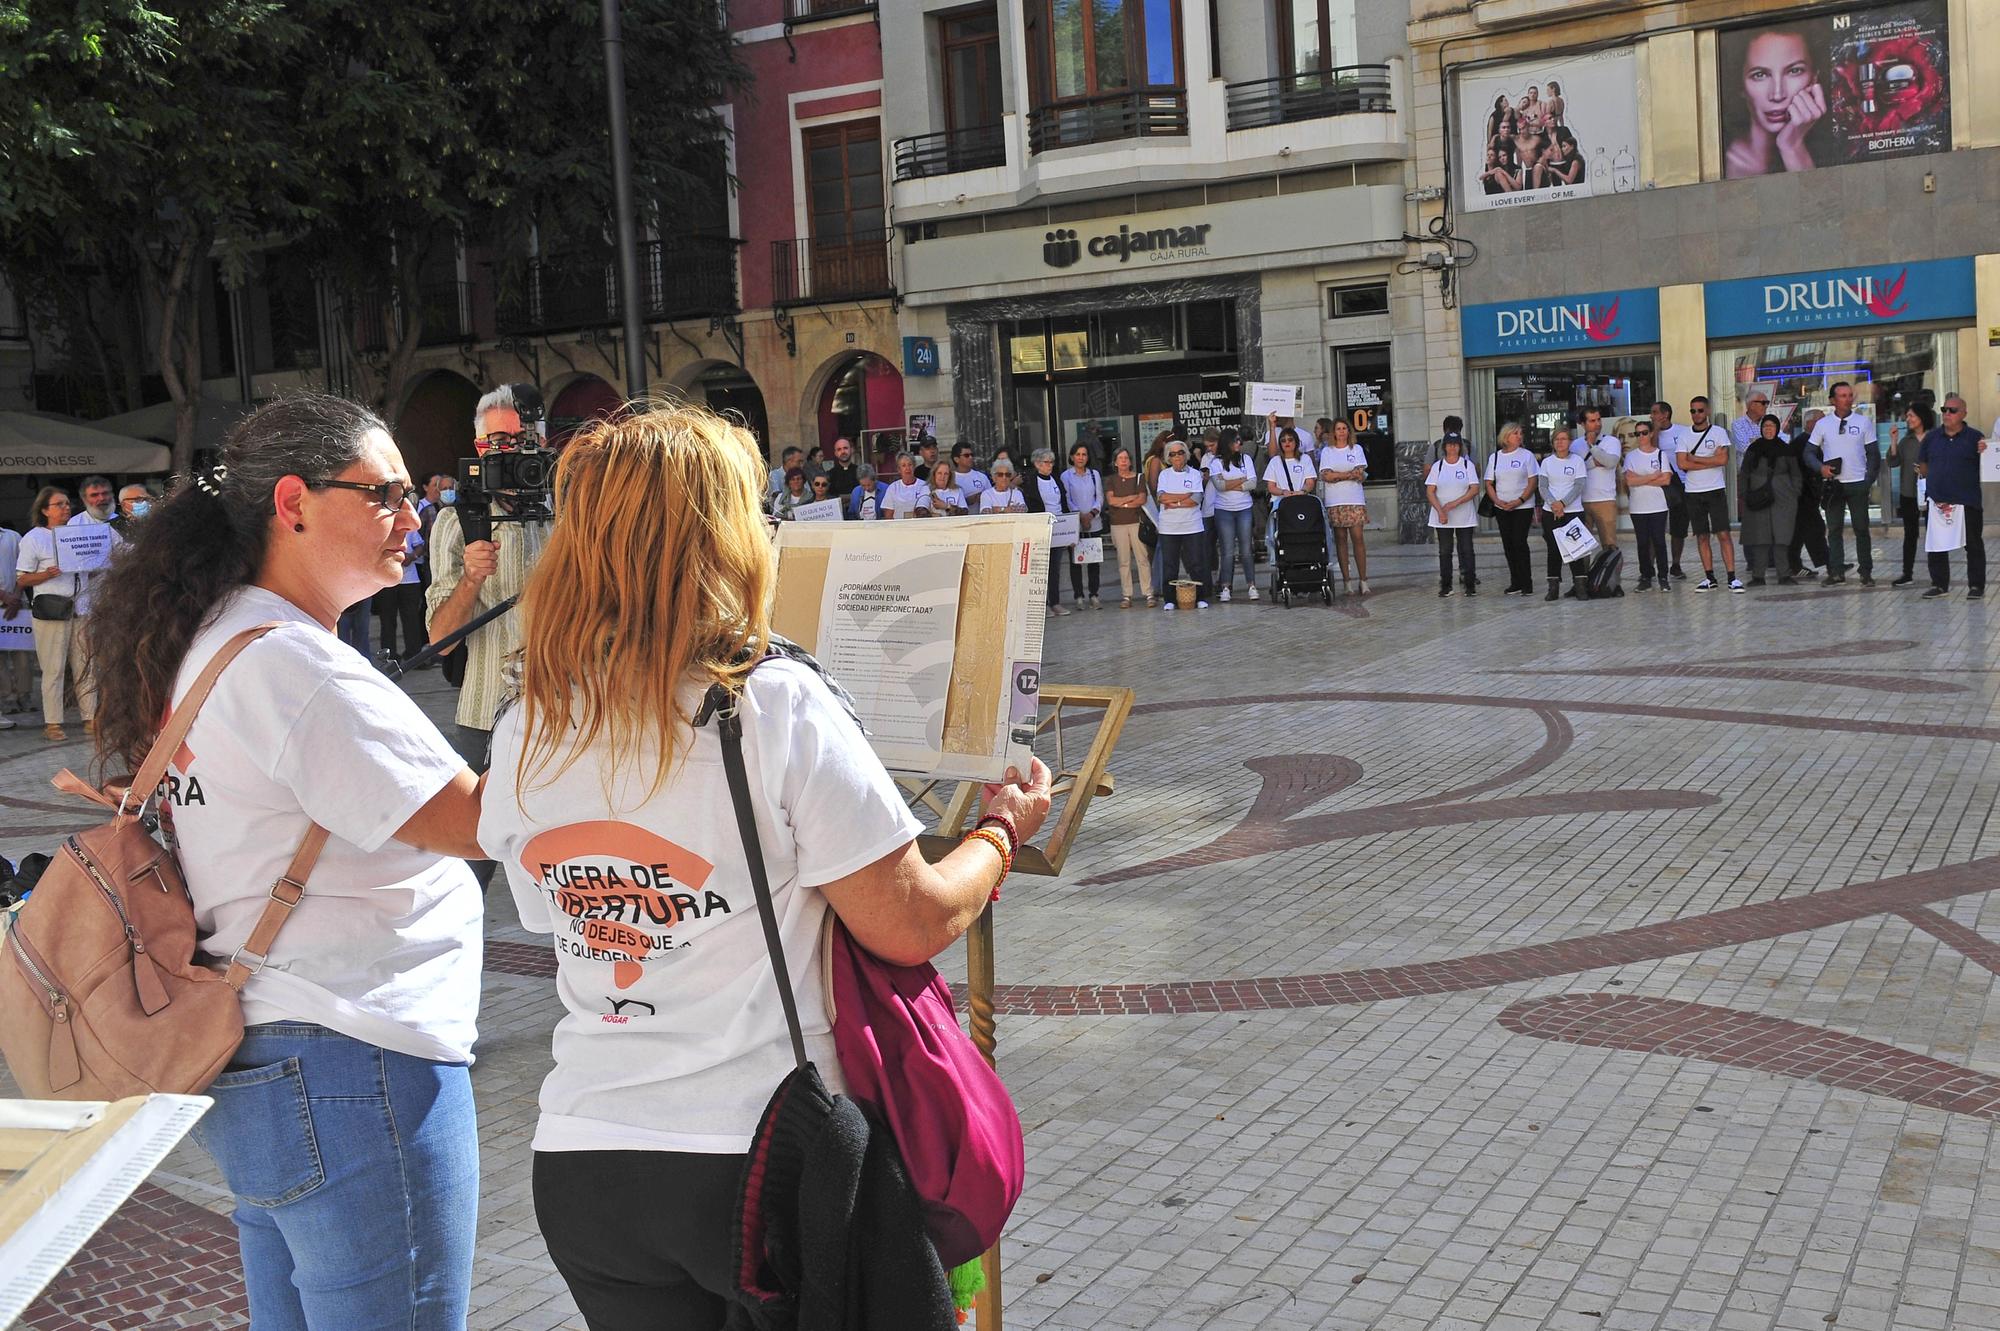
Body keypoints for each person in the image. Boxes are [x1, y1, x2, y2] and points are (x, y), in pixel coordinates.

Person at [472, 404, 1051, 1330]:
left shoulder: (528, 722)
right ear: (726, 534)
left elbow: (554, 913)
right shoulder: (771, 702)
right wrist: (999, 834)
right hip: (759, 1158)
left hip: (587, 1157)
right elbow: (911, 921)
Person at [87, 394, 487, 1331]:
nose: (412, 514)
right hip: (358, 1052)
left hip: (272, 1050)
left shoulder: (218, 635)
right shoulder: (296, 666)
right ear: (296, 502)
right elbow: (479, 821)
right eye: (385, 492)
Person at [426, 382, 555, 785]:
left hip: (572, 713)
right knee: (484, 841)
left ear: (544, 441)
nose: (513, 450)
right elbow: (441, 641)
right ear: (479, 447)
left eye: (523, 438)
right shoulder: (457, 522)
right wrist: (470, 578)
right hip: (487, 715)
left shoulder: (573, 513)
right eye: (498, 440)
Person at [16, 487, 95, 740]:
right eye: (59, 504)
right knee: (53, 669)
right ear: (44, 510)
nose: (66, 507)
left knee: (86, 667)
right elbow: (22, 580)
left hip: (81, 608)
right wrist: (47, 574)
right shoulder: (33, 538)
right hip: (52, 611)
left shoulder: (77, 535)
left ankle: (90, 717)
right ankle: (53, 723)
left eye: (67, 503)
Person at [1723, 26, 1827, 179]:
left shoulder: (1833, 152)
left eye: (1794, 71)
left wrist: (1792, 146)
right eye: (1760, 75)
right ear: (1741, 85)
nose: (1777, 94)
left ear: (1814, 79)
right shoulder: (1729, 163)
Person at [1917, 393, 1987, 599]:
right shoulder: (1931, 437)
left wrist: (1985, 450)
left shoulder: (1975, 437)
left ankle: (1976, 586)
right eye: (1944, 409)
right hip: (1937, 501)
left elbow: (1988, 461)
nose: (1947, 414)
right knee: (1935, 545)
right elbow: (1923, 464)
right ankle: (1939, 584)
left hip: (1966, 501)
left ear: (1964, 414)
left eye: (1952, 410)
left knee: (1973, 545)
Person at [1808, 381, 1875, 585]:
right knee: (1834, 529)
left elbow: (1873, 454)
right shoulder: (1822, 424)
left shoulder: (1864, 422)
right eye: (1842, 396)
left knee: (1861, 528)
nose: (1847, 399)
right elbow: (1809, 452)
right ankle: (1836, 571)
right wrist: (1821, 468)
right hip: (1834, 484)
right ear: (1833, 400)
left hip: (1857, 483)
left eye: (1849, 395)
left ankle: (1866, 571)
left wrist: (1868, 480)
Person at [1678, 395, 1742, 592]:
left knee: (1723, 533)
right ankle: (1709, 577)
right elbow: (1682, 464)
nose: (1696, 414)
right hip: (1693, 492)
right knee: (1702, 535)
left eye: (1699, 410)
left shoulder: (1719, 432)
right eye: (1692, 410)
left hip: (1715, 490)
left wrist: (1695, 458)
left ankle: (1732, 577)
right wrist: (1709, 460)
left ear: (1707, 411)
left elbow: (1722, 460)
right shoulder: (1684, 435)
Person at [1738, 415, 1803, 586]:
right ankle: (1758, 575)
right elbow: (1744, 472)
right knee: (1760, 537)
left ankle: (1784, 574)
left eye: (1772, 426)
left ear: (1777, 428)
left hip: (1783, 497)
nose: (1768, 429)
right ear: (1761, 428)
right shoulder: (1754, 449)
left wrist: (1794, 493)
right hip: (1757, 497)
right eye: (1765, 426)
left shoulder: (1785, 449)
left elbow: (1795, 473)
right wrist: (1744, 493)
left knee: (1782, 537)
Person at [1485, 423, 1538, 595]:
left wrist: (1520, 500)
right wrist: (1497, 501)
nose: (1519, 436)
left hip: (1522, 506)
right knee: (1508, 544)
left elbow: (1532, 481)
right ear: (1506, 436)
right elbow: (1489, 483)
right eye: (1515, 433)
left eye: (1520, 433)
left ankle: (1526, 582)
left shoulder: (1527, 456)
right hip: (1501, 506)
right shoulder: (1495, 457)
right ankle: (1515, 581)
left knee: (1519, 542)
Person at [1318, 419, 1370, 595]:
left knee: (1358, 537)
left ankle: (1363, 580)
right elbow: (1326, 475)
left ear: (1349, 431)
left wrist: (1339, 475)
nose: (1341, 432)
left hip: (1354, 498)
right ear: (1333, 432)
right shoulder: (1327, 451)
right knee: (1340, 539)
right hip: (1335, 500)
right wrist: (1348, 474)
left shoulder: (1356, 449)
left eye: (1344, 429)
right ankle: (1347, 581)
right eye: (1338, 429)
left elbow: (1360, 473)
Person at [1155, 439, 1208, 610]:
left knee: (1196, 563)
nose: (1177, 456)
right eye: (1172, 454)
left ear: (1186, 455)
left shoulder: (1194, 474)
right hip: (1168, 527)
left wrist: (1175, 502)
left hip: (1192, 526)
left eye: (1180, 452)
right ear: (1168, 457)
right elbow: (1161, 497)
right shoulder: (1164, 475)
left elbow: (1196, 499)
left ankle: (1200, 597)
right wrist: (1184, 496)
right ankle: (1170, 599)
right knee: (1170, 564)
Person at [1538, 430, 1590, 601]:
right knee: (1553, 550)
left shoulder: (1577, 461)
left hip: (1572, 511)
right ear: (1552, 443)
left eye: (1563, 439)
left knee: (1576, 550)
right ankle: (1553, 587)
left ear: (1570, 442)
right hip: (1551, 512)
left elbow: (1579, 485)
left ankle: (1580, 586)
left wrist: (1563, 504)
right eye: (1557, 439)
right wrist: (1554, 504)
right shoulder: (1546, 462)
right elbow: (1543, 486)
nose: (1560, 442)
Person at [1623, 422, 1675, 591]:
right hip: (1638, 507)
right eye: (1637, 434)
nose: (1641, 437)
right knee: (1642, 543)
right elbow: (1630, 481)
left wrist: (1641, 479)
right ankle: (1646, 575)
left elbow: (1666, 480)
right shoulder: (1631, 457)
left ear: (1651, 433)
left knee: (1659, 542)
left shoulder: (1660, 455)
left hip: (1658, 505)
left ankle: (1663, 576)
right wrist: (1653, 476)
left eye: (1644, 433)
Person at [1206, 430, 1257, 603]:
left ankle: (1251, 585)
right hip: (1224, 510)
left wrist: (1232, 485)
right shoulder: (1216, 462)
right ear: (1228, 442)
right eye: (1236, 441)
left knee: (1246, 549)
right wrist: (1241, 480)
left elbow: (1253, 483)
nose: (1239, 444)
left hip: (1244, 508)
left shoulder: (1246, 459)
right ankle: (1226, 586)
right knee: (1227, 551)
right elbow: (1219, 486)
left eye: (1240, 441)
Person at [1425, 436, 1479, 596]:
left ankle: (1470, 585)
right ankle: (1446, 585)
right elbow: (1430, 491)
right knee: (1445, 551)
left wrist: (1455, 503)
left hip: (1464, 516)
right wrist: (1441, 511)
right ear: (1445, 447)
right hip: (1442, 517)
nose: (1453, 448)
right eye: (1450, 445)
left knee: (1467, 549)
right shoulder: (1438, 466)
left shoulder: (1467, 465)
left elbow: (1474, 489)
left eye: (1456, 445)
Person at [1888, 404, 1933, 585]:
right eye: (1907, 416)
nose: (1908, 419)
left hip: (1933, 492)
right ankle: (1907, 573)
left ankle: (1937, 575)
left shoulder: (1935, 438)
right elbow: (1893, 461)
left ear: (1921, 417)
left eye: (1911, 416)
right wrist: (1893, 441)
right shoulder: (1906, 441)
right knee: (1910, 534)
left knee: (1934, 534)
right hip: (1909, 493)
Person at [1023, 448, 1071, 616]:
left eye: (1051, 462)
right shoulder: (1030, 481)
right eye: (1046, 462)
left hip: (1058, 528)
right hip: (1040, 528)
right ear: (1037, 464)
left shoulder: (1056, 480)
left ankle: (1055, 602)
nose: (1049, 465)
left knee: (1055, 568)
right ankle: (1041, 604)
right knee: (1040, 568)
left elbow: (1063, 502)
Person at [1649, 401, 1691, 580]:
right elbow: (1651, 451)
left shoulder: (1683, 431)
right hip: (1661, 485)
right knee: (1654, 527)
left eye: (1654, 412)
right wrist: (1656, 430)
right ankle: (1649, 567)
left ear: (1665, 414)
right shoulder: (1650, 433)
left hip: (1682, 484)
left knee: (1678, 527)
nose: (1651, 415)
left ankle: (1676, 564)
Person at [1788, 408, 1832, 578]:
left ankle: (1793, 565)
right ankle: (1830, 564)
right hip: (1802, 496)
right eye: (1820, 421)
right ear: (1810, 424)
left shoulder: (1811, 443)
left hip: (1806, 496)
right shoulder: (1802, 444)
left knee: (1798, 533)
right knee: (1815, 529)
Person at [1061, 442, 1105, 607]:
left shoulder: (1094, 475)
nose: (1081, 457)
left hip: (1094, 523)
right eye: (1077, 454)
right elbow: (1067, 498)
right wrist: (1080, 516)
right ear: (1072, 457)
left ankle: (1094, 594)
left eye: (1084, 454)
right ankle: (1078, 596)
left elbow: (1099, 497)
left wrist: (1091, 514)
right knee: (1075, 561)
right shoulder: (1066, 476)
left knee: (1094, 560)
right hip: (1075, 524)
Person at [1103, 447, 1148, 607]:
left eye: (1126, 458)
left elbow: (1141, 499)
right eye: (1120, 458)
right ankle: (1127, 595)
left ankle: (1148, 593)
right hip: (1118, 524)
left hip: (1136, 521)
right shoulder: (1110, 480)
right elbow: (1111, 501)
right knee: (1123, 561)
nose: (1123, 461)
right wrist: (1130, 498)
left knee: (1142, 558)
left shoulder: (1139, 478)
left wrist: (1121, 502)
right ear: (1115, 462)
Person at [1577, 408, 1622, 557]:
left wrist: (1592, 447)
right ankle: (1582, 577)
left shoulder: (1611, 441)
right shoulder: (1575, 445)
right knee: (1580, 546)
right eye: (1592, 421)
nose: (1597, 424)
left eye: (1598, 420)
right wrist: (1595, 462)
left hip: (1604, 500)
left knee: (1609, 544)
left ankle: (1611, 579)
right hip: (1580, 501)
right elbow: (1575, 469)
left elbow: (1610, 462)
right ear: (1582, 424)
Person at [0, 517, 23, 725]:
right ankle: (6, 697)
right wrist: (3, 596)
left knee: (21, 654)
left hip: (17, 604)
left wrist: (15, 596)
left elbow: (22, 569)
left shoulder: (12, 537)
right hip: (5, 600)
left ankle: (21, 695)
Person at [882, 451, 931, 519]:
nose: (907, 468)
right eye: (903, 465)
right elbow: (888, 515)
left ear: (914, 467)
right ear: (899, 469)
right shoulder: (892, 488)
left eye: (910, 465)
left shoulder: (924, 485)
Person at [1731, 391, 1773, 457]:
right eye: (1763, 403)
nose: (1766, 406)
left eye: (1767, 403)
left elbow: (1784, 441)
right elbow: (1746, 449)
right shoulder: (1738, 424)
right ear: (1752, 405)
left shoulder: (1770, 422)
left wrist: (1754, 441)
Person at [822, 436, 859, 511]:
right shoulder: (830, 474)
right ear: (835, 453)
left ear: (851, 450)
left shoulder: (860, 471)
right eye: (839, 449)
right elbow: (827, 495)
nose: (843, 452)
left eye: (845, 448)